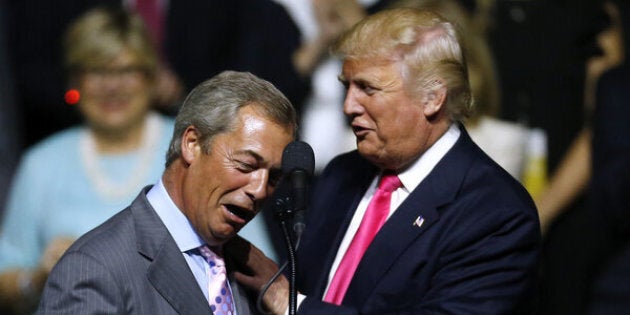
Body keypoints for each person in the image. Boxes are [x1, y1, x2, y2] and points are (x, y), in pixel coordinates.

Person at [233, 8, 541, 314]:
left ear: (433, 97)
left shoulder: (496, 213)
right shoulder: (342, 173)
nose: (349, 106)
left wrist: (289, 303)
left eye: (368, 88)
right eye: (347, 87)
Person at [37, 70, 297, 314]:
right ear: (192, 144)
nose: (260, 190)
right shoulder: (93, 269)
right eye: (246, 165)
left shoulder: (255, 272)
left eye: (274, 177)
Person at [0, 7, 174, 313]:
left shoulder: (191, 148)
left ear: (150, 77)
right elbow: (6, 277)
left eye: (126, 70)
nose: (112, 85)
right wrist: (39, 278)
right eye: (97, 71)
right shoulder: (41, 163)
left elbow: (250, 264)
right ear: (74, 82)